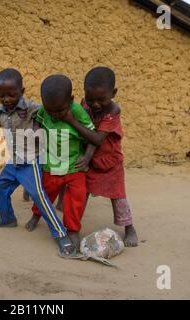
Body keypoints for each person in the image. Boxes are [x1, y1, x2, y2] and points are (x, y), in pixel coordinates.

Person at [0, 68, 76, 257]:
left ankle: (61, 234)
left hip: (31, 162)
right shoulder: (0, 112)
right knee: (0, 186)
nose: (6, 99)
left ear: (22, 91)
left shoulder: (30, 108)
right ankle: (7, 219)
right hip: (14, 162)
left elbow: (49, 112)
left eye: (11, 95)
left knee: (39, 197)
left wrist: (43, 130)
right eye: (2, 95)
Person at [60, 67, 138, 247]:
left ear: (114, 93)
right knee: (81, 193)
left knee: (118, 197)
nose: (95, 104)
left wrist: (71, 120)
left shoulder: (113, 110)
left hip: (110, 161)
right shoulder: (84, 104)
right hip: (90, 160)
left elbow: (96, 138)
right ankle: (73, 229)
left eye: (101, 99)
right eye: (90, 98)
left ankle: (129, 227)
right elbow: (84, 130)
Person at [25, 74, 96, 248]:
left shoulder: (78, 112)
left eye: (60, 111)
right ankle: (36, 214)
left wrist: (87, 157)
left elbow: (93, 137)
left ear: (70, 100)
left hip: (74, 166)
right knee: (45, 194)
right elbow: (37, 122)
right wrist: (36, 133)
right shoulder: (44, 110)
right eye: (51, 111)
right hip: (52, 165)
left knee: (76, 198)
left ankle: (72, 230)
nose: (55, 115)